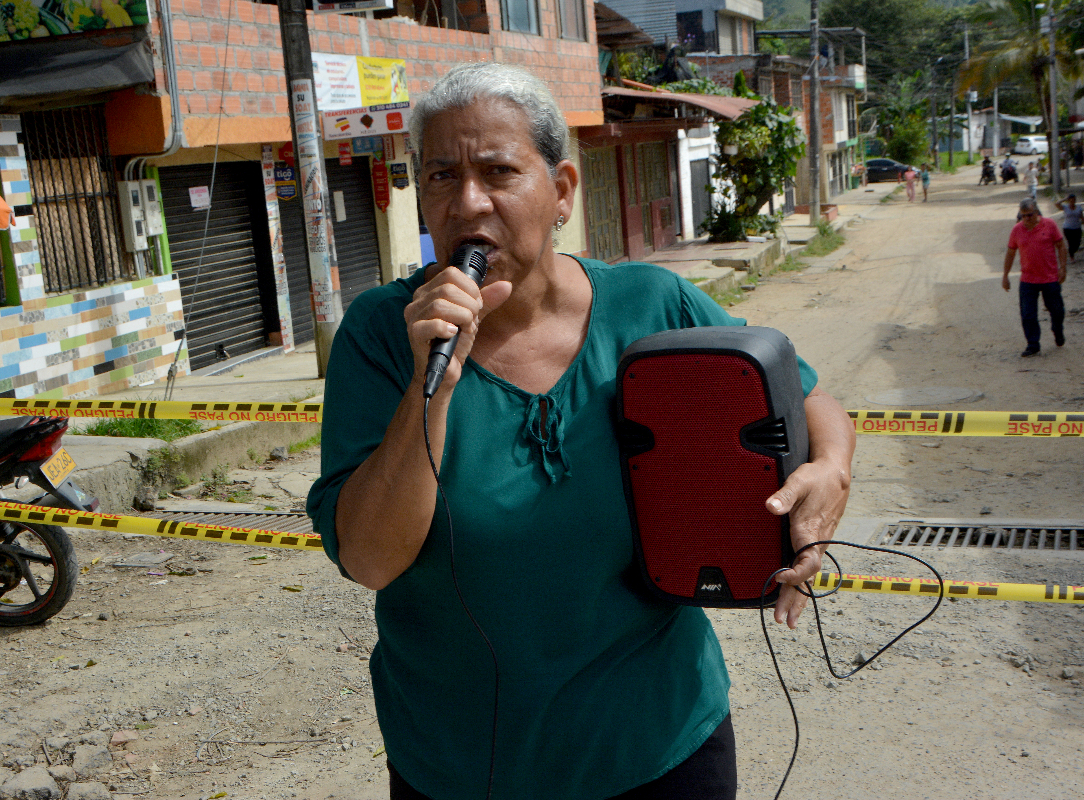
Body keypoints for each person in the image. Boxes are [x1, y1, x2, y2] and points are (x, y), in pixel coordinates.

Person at [306, 62, 856, 800]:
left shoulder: (651, 304)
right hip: (464, 764)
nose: (469, 202)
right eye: (440, 177)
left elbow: (807, 395)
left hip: (659, 746)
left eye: (499, 171)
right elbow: (371, 559)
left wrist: (831, 470)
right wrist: (430, 383)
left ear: (561, 189)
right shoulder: (382, 334)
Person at [1004, 196, 1066, 357]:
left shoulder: (1049, 225)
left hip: (1050, 278)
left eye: (1029, 215)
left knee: (1057, 310)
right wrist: (1005, 275)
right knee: (1027, 314)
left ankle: (1057, 330)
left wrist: (1063, 268)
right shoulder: (1017, 230)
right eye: (1023, 215)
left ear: (1037, 212)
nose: (1026, 219)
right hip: (1028, 280)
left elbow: (1060, 245)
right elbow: (1011, 253)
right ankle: (1033, 344)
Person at [1056, 193, 1084, 260]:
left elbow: (1082, 217)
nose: (1072, 202)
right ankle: (1072, 257)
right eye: (1071, 200)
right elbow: (1057, 204)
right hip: (1067, 228)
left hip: (1077, 227)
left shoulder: (1079, 208)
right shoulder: (1065, 207)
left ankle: (1072, 251)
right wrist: (1065, 199)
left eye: (1074, 200)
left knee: (1077, 243)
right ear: (1069, 201)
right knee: (1071, 242)